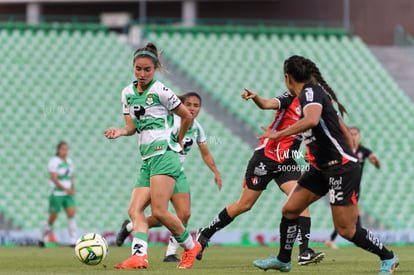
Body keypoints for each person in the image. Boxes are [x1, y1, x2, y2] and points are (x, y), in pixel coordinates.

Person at [253, 55, 398, 274]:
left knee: (346, 230)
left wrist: (278, 134)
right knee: (290, 210)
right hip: (321, 168)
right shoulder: (311, 96)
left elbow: (311, 120)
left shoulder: (310, 92)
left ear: (287, 78)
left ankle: (389, 257)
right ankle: (283, 260)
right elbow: (344, 130)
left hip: (339, 169)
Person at [195, 87, 325, 265]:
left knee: (300, 200)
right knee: (244, 205)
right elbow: (266, 104)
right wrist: (256, 98)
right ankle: (206, 233)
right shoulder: (290, 98)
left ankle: (304, 253)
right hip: (266, 157)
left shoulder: (312, 109)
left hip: (286, 162)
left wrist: (308, 154)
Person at [104, 43, 201, 269]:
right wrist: (119, 131)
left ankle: (190, 245)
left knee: (158, 211)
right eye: (138, 69)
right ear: (133, 67)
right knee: (134, 210)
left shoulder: (160, 91)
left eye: (147, 69)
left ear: (155, 68)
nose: (142, 73)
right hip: (147, 158)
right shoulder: (127, 93)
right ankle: (139, 256)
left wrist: (178, 138)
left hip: (164, 155)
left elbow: (186, 116)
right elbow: (131, 127)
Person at [115, 92, 223, 262]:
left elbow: (206, 153)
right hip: (162, 168)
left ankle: (169, 252)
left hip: (178, 173)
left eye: (196, 105)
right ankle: (187, 246)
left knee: (184, 214)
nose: (192, 108)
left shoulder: (197, 128)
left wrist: (215, 171)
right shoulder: (172, 121)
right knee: (160, 214)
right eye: (188, 104)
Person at [325, 126, 381, 249]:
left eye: (355, 134)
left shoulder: (363, 151)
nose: (353, 136)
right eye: (351, 134)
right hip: (344, 185)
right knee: (349, 214)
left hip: (355, 186)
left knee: (349, 215)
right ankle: (359, 238)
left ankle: (336, 239)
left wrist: (375, 161)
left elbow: (377, 164)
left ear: (359, 136)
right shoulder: (342, 149)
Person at [39, 141, 77, 247]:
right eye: (63, 149)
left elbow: (71, 176)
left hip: (68, 194)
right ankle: (42, 237)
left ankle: (73, 240)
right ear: (58, 150)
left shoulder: (69, 161)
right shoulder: (54, 161)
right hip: (57, 193)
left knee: (72, 215)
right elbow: (54, 178)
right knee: (52, 219)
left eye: (66, 149)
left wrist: (72, 188)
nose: (65, 151)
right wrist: (66, 189)